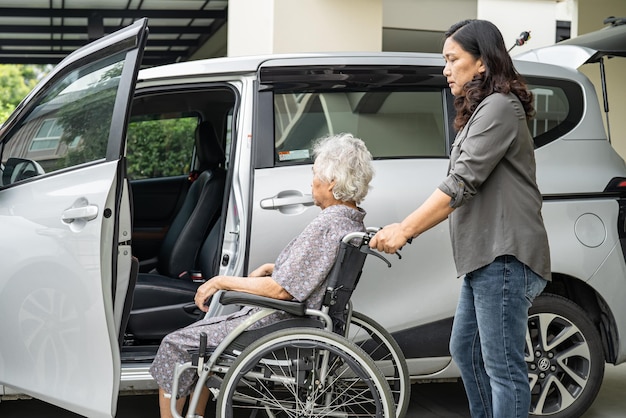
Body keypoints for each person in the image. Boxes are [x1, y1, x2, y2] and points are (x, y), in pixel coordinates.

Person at [369, 19, 550, 418]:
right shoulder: (485, 109)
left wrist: (405, 228)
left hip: (504, 254)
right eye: (445, 60)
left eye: (453, 59)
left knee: (503, 367)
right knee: (465, 351)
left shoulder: (501, 108)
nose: (446, 69)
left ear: (482, 63)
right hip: (484, 257)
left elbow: (460, 183)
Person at [150, 132, 374, 418]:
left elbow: (282, 291)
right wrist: (272, 267)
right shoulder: (349, 219)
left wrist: (219, 281)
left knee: (176, 344)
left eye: (315, 174)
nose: (311, 182)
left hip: (279, 322)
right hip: (295, 317)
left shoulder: (327, 225)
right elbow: (308, 272)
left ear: (332, 182)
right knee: (200, 345)